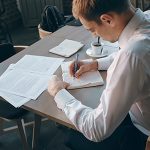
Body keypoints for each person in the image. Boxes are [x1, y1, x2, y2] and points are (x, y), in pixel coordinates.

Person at [48, 0, 150, 149]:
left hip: (141, 131)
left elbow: (96, 129)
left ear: (107, 19)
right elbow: (135, 52)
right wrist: (95, 64)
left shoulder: (131, 55)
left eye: (91, 29)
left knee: (69, 138)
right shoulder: (146, 19)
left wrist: (58, 92)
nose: (95, 35)